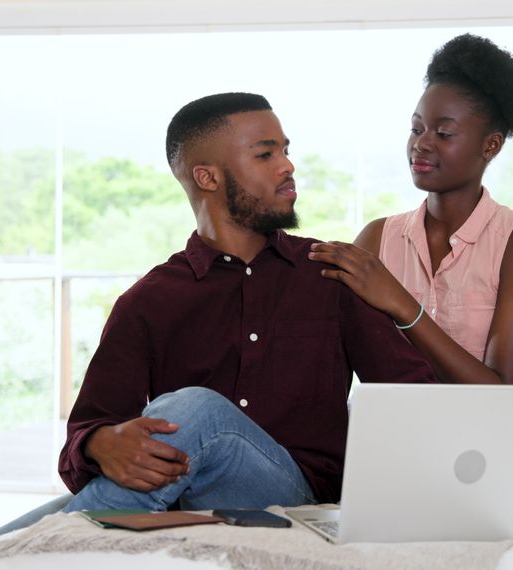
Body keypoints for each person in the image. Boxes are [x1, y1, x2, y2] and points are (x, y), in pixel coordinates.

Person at [57, 92, 437, 513]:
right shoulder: (147, 301)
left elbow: (413, 398)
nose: (288, 165)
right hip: (183, 495)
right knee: (40, 519)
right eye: (265, 154)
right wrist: (101, 442)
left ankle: (61, 539)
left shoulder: (331, 274)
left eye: (286, 150)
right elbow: (87, 429)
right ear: (208, 177)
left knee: (198, 412)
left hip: (297, 495)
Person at [309, 33, 513, 386]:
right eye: (416, 128)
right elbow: (333, 357)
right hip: (399, 432)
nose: (421, 144)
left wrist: (402, 304)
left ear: (491, 145)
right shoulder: (377, 239)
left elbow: (503, 392)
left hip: (494, 436)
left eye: (443, 133)